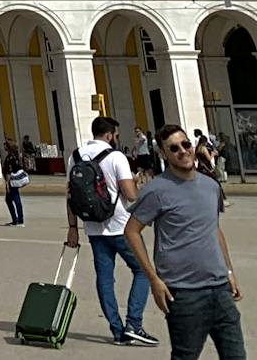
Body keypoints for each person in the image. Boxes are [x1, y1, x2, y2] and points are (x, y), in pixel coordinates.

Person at [127, 125, 243, 360]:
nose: (182, 151)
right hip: (184, 294)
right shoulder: (156, 190)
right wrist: (154, 279)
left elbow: (214, 229)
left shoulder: (211, 186)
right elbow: (131, 232)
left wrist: (229, 271)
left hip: (220, 290)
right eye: (174, 148)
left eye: (185, 144)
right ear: (163, 154)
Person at [68, 114, 159, 346]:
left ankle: (117, 331)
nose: (116, 139)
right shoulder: (116, 156)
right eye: (116, 135)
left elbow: (71, 195)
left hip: (93, 227)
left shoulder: (76, 156)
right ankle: (134, 324)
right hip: (120, 225)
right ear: (109, 135)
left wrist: (72, 228)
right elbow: (129, 194)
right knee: (144, 271)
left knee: (105, 279)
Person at [4, 146, 31, 226]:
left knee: (10, 200)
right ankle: (19, 219)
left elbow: (9, 171)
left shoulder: (9, 158)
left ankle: (16, 219)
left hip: (12, 181)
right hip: (16, 180)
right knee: (16, 199)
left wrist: (7, 183)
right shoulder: (16, 156)